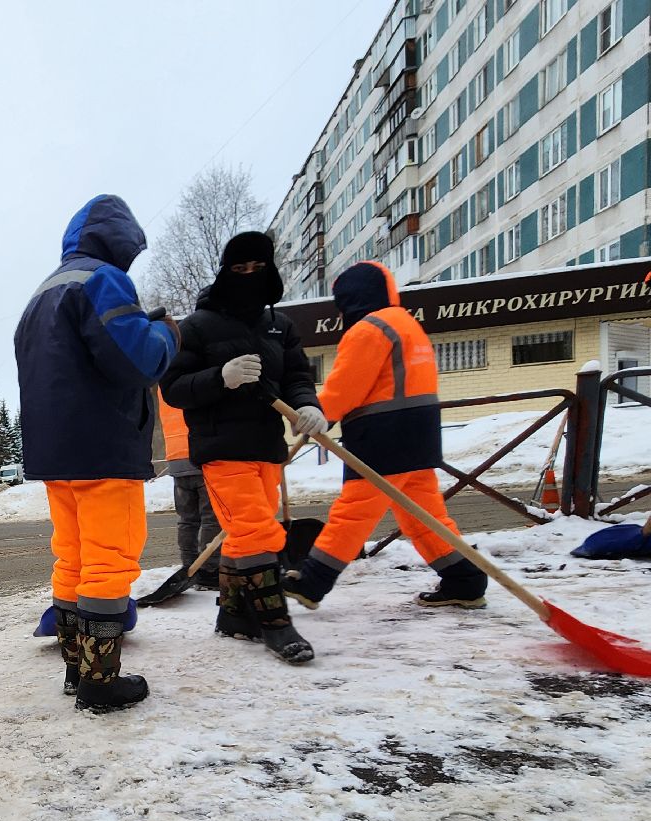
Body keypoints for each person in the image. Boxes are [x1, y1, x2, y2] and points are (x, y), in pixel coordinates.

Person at [15, 195, 179, 713]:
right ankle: (100, 682)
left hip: (55, 455)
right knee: (110, 561)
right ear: (120, 241)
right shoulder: (102, 280)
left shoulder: (41, 294)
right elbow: (142, 359)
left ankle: (75, 667)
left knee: (74, 558)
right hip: (103, 451)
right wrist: (168, 333)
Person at [160, 231, 325, 664]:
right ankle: (275, 624)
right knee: (256, 531)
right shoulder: (197, 327)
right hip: (220, 446)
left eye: (258, 268)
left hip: (266, 446)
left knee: (245, 531)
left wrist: (307, 407)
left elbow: (296, 376)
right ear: (225, 272)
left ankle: (233, 616)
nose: (249, 275)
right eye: (239, 269)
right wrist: (221, 377)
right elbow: (174, 388)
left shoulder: (279, 326)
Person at [284, 262, 488, 610]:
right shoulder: (406, 324)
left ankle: (312, 582)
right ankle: (465, 578)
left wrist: (321, 412)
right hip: (418, 432)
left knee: (355, 510)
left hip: (384, 434)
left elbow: (348, 382)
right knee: (423, 513)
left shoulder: (370, 328)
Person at [158, 399, 219, 588]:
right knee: (211, 517)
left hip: (176, 455)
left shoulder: (166, 378)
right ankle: (209, 571)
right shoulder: (194, 372)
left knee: (187, 519)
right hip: (201, 451)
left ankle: (189, 566)